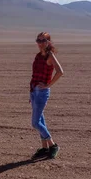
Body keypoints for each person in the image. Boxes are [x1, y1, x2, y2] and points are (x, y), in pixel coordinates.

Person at [29, 32, 64, 160]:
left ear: (48, 42)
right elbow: (34, 75)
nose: (40, 43)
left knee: (35, 123)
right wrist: (31, 92)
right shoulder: (38, 56)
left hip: (42, 93)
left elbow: (60, 71)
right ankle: (44, 148)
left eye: (43, 40)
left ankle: (53, 145)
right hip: (34, 91)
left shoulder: (50, 56)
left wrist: (48, 85)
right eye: (38, 40)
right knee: (40, 120)